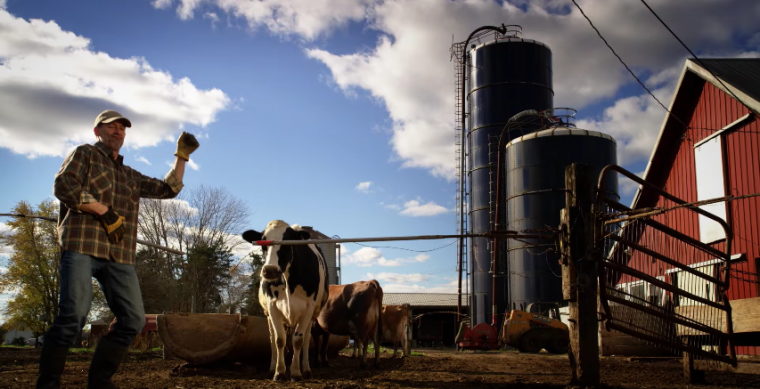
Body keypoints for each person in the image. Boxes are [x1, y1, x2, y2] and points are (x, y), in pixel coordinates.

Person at [37, 110, 199, 389]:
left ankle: (99, 382)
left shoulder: (129, 175)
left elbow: (167, 189)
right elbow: (64, 185)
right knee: (73, 316)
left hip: (119, 254)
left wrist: (181, 156)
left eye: (122, 128)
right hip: (82, 244)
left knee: (133, 320)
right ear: (97, 131)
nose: (118, 132)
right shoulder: (84, 154)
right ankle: (47, 385)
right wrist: (103, 210)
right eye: (111, 126)